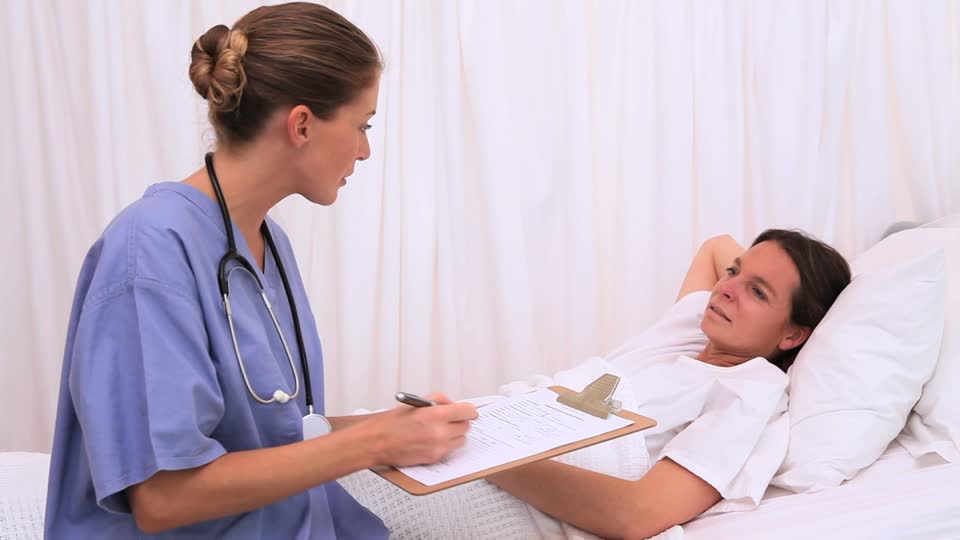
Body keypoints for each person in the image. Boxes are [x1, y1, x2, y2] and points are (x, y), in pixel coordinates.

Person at [44, 3, 477, 538]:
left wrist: (398, 428)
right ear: (301, 124)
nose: (365, 151)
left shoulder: (266, 241)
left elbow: (275, 433)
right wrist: (373, 443)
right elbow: (164, 496)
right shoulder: (149, 251)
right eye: (361, 126)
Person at [480, 229, 852, 539]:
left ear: (793, 335)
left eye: (758, 292)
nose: (725, 288)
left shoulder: (751, 389)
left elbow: (637, 514)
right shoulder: (689, 328)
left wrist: (483, 456)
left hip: (492, 468)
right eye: (733, 271)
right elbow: (715, 246)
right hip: (490, 429)